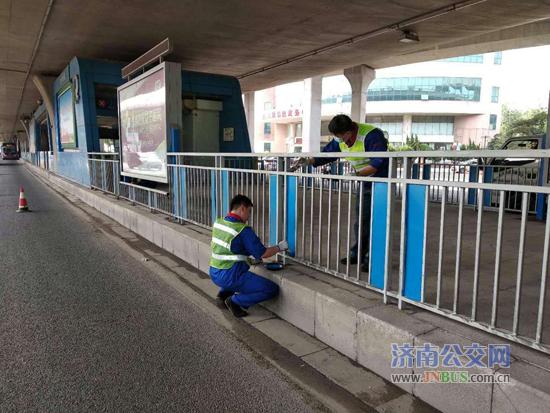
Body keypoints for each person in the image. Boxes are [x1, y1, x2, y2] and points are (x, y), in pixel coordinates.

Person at [290, 114, 388, 272]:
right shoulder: (340, 139)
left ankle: (373, 257)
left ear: (349, 131)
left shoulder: (372, 135)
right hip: (365, 182)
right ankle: (358, 252)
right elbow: (327, 154)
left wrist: (355, 175)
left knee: (377, 221)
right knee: (362, 220)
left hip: (382, 182)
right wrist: (308, 160)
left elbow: (378, 162)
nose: (338, 140)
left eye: (340, 136)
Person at [209, 194, 288, 317]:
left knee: (236, 276)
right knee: (271, 289)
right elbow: (263, 253)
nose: (249, 216)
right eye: (249, 211)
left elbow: (230, 248)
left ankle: (222, 295)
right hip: (231, 276)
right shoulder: (242, 229)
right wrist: (280, 247)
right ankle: (234, 301)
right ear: (242, 208)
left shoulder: (219, 222)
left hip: (214, 272)